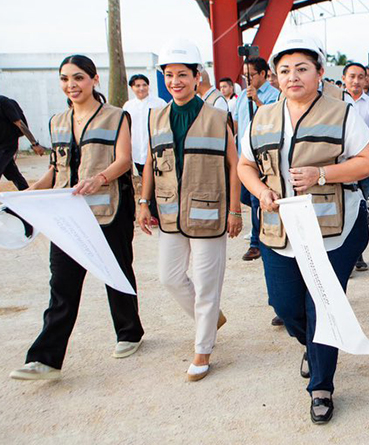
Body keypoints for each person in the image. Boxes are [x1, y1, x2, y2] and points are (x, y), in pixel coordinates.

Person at [238, 33, 369, 423]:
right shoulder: (262, 116)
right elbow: (243, 165)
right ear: (275, 76)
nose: (292, 76)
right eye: (284, 70)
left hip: (333, 228)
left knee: (323, 306)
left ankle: (321, 385)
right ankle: (310, 344)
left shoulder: (341, 113)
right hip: (278, 228)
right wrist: (260, 190)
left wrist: (322, 173)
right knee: (285, 306)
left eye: (302, 68)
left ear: (319, 73)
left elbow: (367, 163)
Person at [9, 55, 143, 381]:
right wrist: (27, 194)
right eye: (65, 79)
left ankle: (129, 332)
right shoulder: (57, 121)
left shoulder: (116, 117)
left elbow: (124, 160)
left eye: (79, 78)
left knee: (116, 271)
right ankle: (45, 359)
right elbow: (56, 170)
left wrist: (99, 179)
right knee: (62, 284)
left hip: (109, 210)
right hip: (67, 216)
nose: (72, 85)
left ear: (94, 79)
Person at [137, 38, 242, 382]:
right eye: (169, 75)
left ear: (197, 77)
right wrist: (143, 202)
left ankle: (203, 349)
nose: (175, 81)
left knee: (207, 284)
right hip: (169, 212)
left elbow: (234, 164)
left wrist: (235, 210)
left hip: (209, 211)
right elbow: (152, 163)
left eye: (182, 74)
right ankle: (211, 319)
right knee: (169, 277)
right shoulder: (156, 117)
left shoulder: (217, 115)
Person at [232, 56, 279, 262]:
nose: (247, 78)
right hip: (244, 155)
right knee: (247, 197)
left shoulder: (274, 95)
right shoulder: (242, 95)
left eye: (251, 74)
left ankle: (256, 243)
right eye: (245, 75)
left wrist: (257, 101)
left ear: (263, 74)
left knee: (255, 197)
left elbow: (272, 119)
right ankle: (260, 230)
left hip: (264, 155)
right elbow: (236, 121)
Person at [342, 62, 369, 272]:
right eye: (352, 76)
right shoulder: (335, 102)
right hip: (339, 166)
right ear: (344, 78)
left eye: (360, 77)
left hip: (362, 167)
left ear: (366, 80)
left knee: (360, 210)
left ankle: (358, 254)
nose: (356, 81)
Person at [123, 74, 166, 226]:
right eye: (137, 85)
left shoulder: (159, 103)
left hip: (155, 149)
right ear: (132, 88)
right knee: (145, 179)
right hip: (137, 150)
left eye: (144, 85)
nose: (141, 88)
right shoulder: (128, 106)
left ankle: (157, 213)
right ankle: (152, 212)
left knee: (156, 180)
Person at [0, 94, 47, 190]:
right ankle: (26, 193)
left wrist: (35, 144)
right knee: (13, 173)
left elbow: (20, 123)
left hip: (7, 145)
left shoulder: (3, 102)